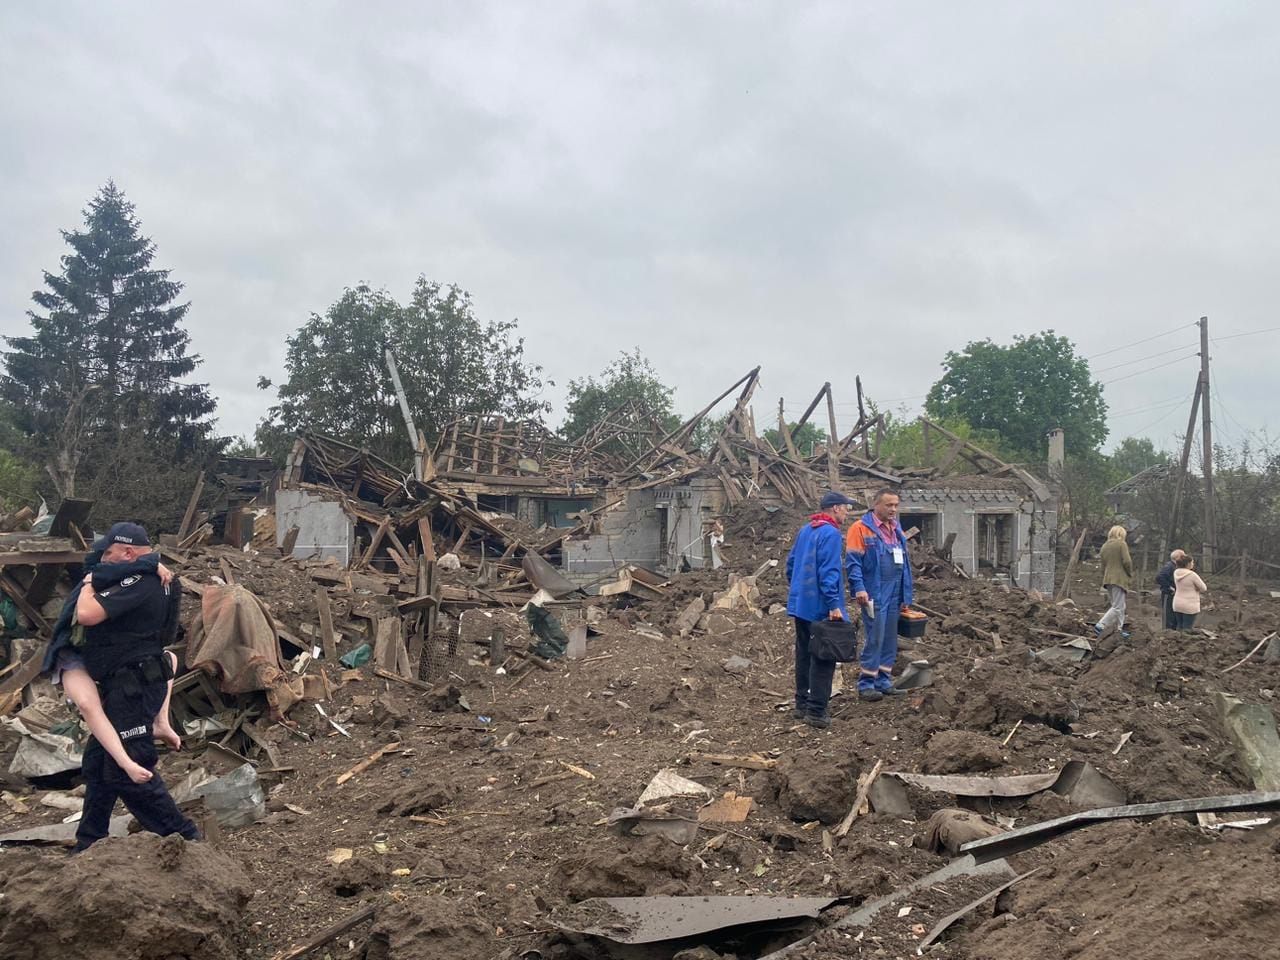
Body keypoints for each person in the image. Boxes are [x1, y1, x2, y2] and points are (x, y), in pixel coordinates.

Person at [69, 522, 199, 852]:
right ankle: (89, 843)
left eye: (110, 554)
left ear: (128, 552)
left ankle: (186, 840)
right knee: (98, 764)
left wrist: (90, 583)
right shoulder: (149, 574)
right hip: (128, 682)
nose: (103, 560)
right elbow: (94, 561)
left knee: (129, 767)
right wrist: (150, 562)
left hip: (133, 685)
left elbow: (86, 614)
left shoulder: (142, 582)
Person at [785, 491, 855, 730]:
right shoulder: (831, 533)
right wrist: (834, 604)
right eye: (846, 508)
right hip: (821, 608)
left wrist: (799, 590)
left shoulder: (806, 530)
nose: (847, 512)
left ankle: (801, 705)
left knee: (804, 653)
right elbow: (829, 572)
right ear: (835, 508)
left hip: (801, 605)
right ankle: (816, 711)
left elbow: (790, 564)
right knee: (824, 657)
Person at [846, 488, 914, 702]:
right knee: (875, 637)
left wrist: (905, 594)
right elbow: (853, 562)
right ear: (876, 505)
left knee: (889, 638)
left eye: (896, 505)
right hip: (874, 592)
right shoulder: (860, 528)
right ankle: (866, 683)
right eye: (889, 505)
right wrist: (859, 588)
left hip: (894, 591)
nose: (893, 509)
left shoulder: (896, 528)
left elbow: (904, 564)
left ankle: (884, 681)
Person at [1094, 525, 1133, 640]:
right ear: (1121, 534)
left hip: (1108, 579)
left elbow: (1103, 565)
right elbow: (1127, 561)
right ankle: (1101, 624)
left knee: (1120, 606)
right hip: (1119, 579)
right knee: (1118, 606)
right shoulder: (1121, 544)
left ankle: (1119, 630)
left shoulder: (1104, 546)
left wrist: (1105, 576)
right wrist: (1129, 573)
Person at [1171, 553, 1208, 630]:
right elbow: (1204, 588)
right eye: (1192, 562)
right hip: (1189, 605)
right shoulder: (1192, 575)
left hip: (1177, 603)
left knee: (1179, 625)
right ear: (1188, 564)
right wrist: (1196, 589)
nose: (1193, 564)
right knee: (1187, 628)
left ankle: (1177, 637)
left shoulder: (1176, 572)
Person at [1154, 549, 1186, 630]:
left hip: (1175, 595)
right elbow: (1159, 577)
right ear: (1178, 557)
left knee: (1174, 614)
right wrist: (1169, 587)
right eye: (1183, 556)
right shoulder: (1169, 566)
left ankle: (1173, 631)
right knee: (1168, 615)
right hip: (1168, 594)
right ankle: (1167, 631)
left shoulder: (1176, 567)